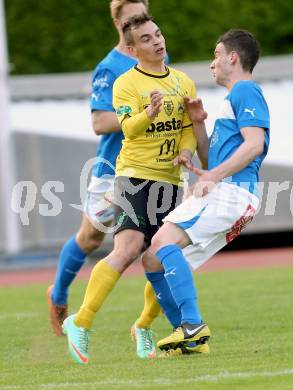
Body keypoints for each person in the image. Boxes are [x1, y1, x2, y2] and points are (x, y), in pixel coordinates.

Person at [62, 13, 201, 364]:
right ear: (132, 48)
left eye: (158, 34)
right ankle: (81, 320)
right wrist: (149, 113)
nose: (157, 41)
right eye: (147, 38)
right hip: (134, 176)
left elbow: (187, 128)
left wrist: (185, 152)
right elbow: (129, 128)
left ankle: (143, 326)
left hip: (170, 181)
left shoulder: (184, 81)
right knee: (128, 249)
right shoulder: (125, 83)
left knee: (163, 257)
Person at [142, 28, 270, 354]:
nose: (212, 63)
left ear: (233, 57)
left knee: (162, 242)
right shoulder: (232, 99)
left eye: (216, 55)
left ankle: (193, 325)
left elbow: (254, 145)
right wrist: (198, 123)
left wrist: (214, 175)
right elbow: (209, 159)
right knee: (153, 259)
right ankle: (188, 337)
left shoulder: (245, 91)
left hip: (232, 192)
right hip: (227, 193)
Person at [46, 1, 164, 357]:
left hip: (151, 167)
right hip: (113, 169)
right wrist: (144, 115)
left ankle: (151, 327)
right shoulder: (109, 67)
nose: (139, 23)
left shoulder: (155, 51)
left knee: (158, 245)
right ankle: (59, 295)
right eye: (131, 19)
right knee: (90, 236)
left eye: (143, 16)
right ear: (117, 22)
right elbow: (99, 122)